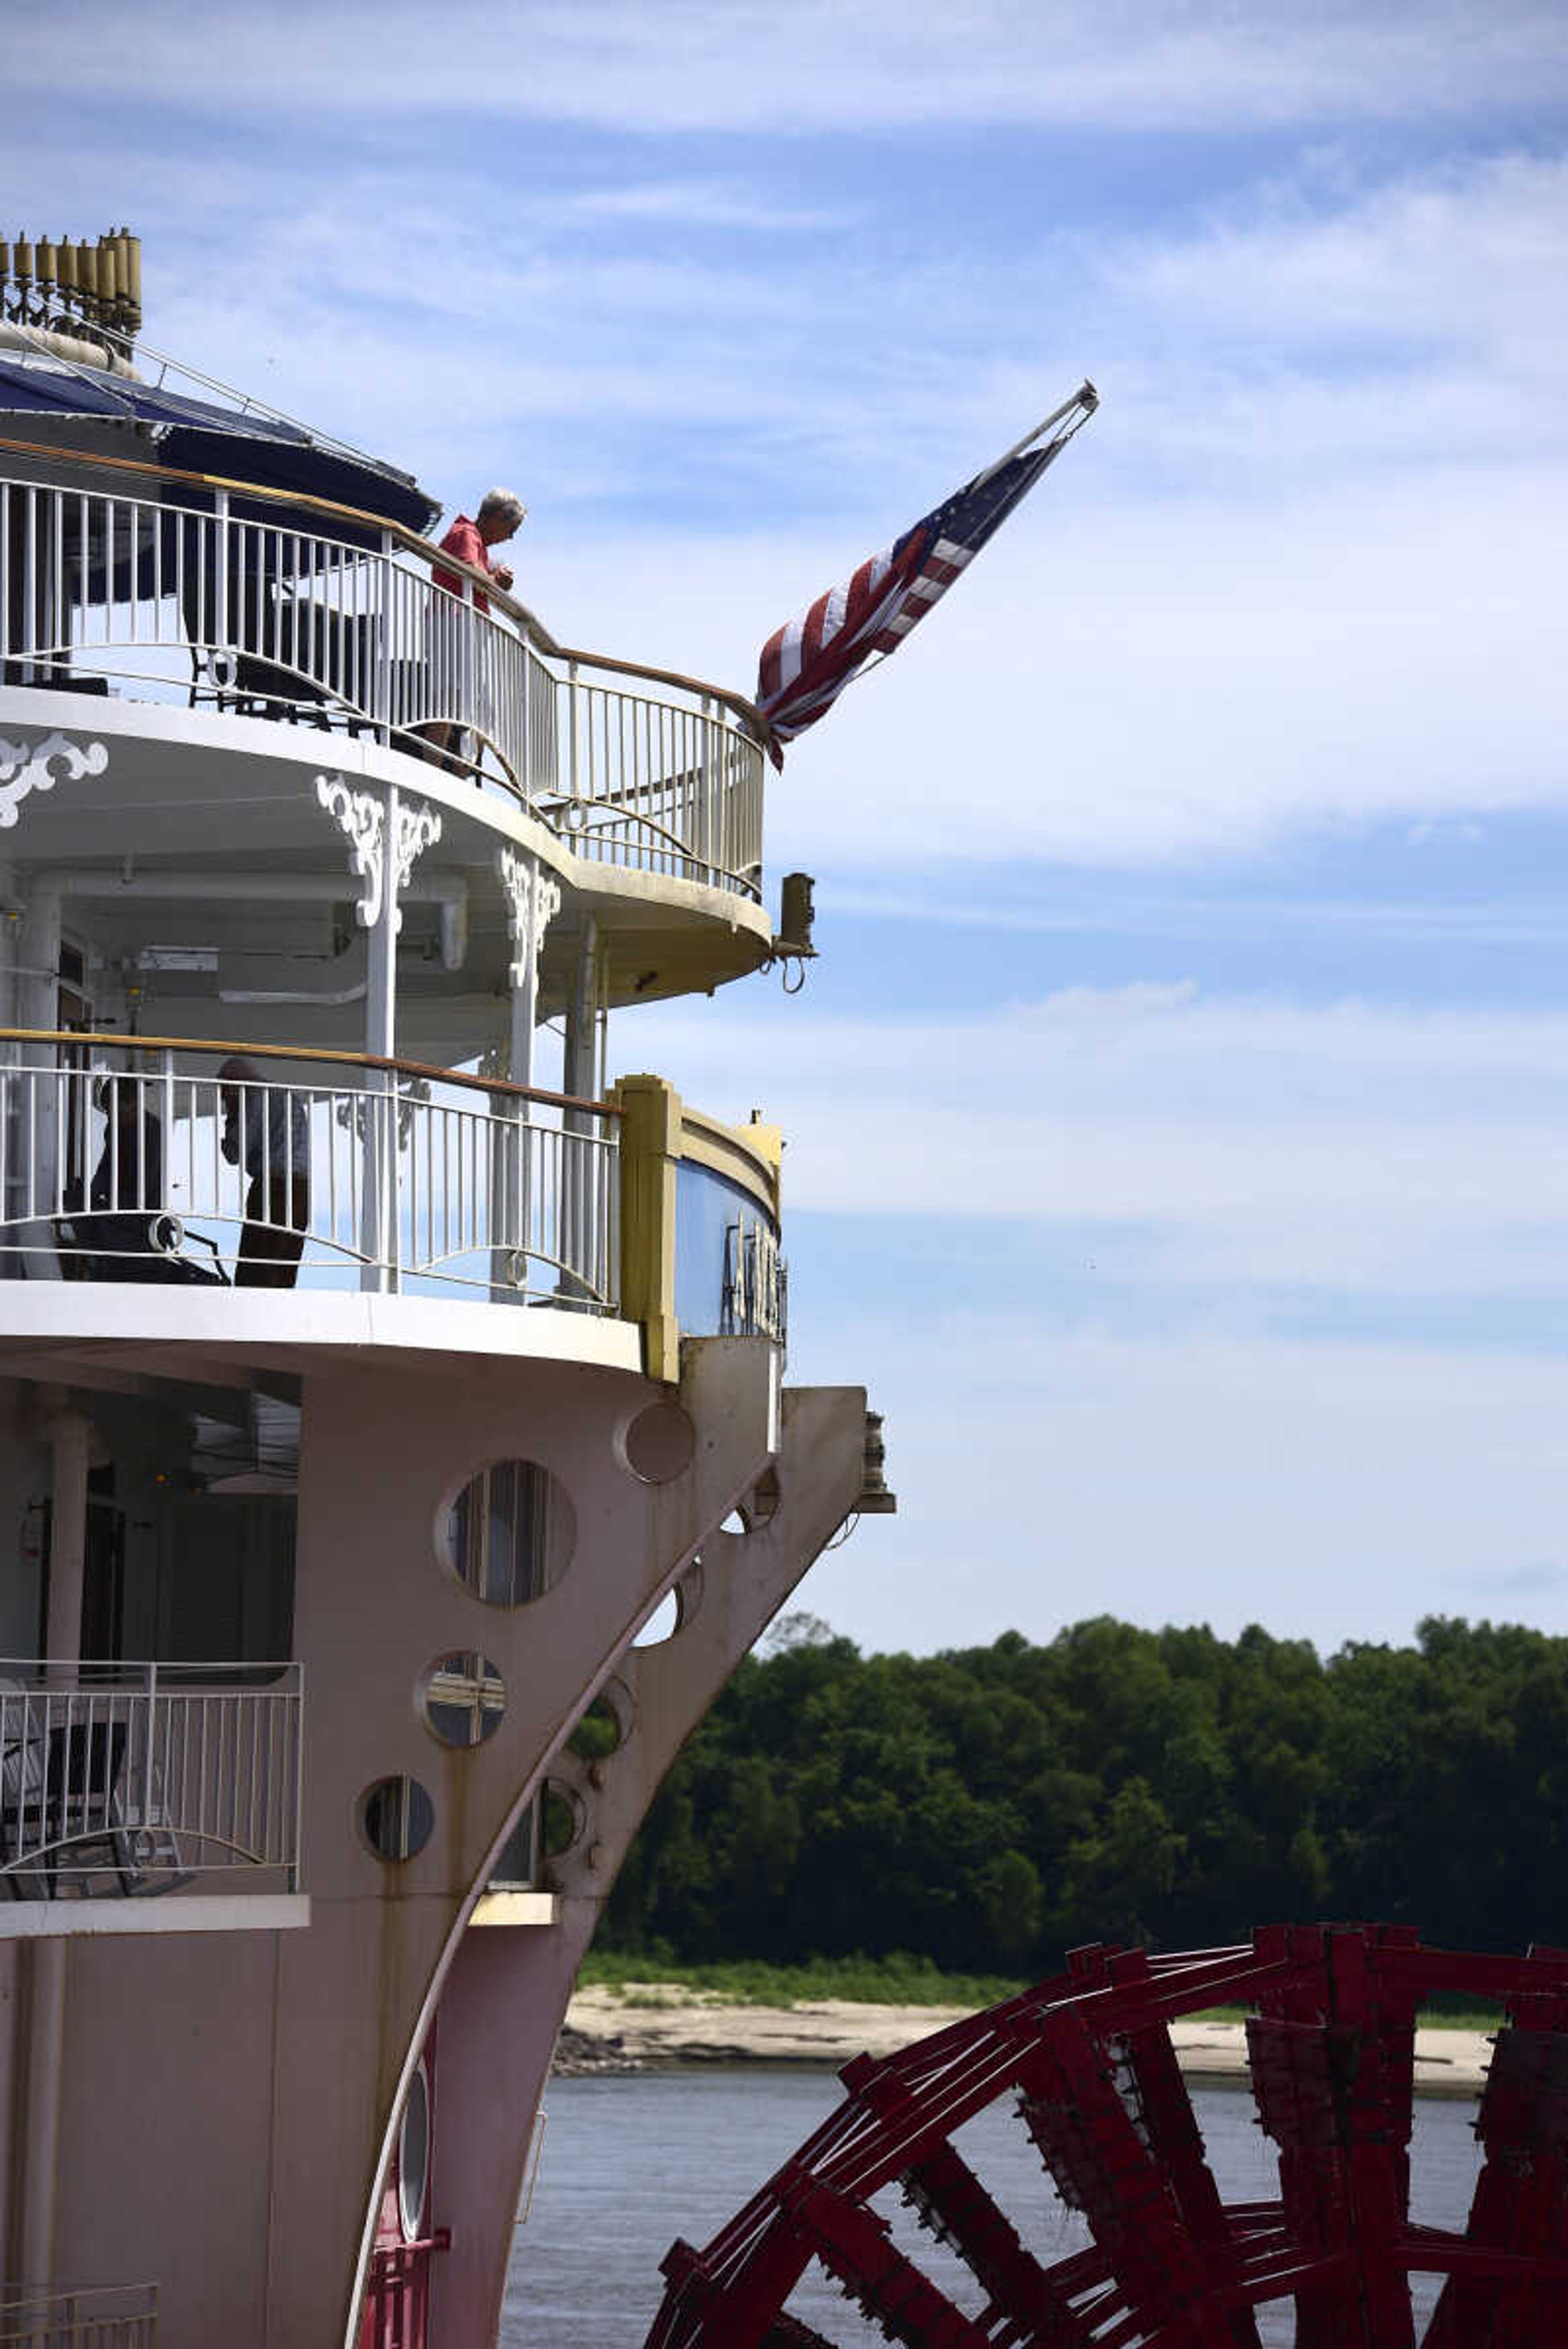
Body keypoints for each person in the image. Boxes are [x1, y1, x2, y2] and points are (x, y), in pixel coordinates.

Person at [424, 488, 526, 770]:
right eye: (512, 528)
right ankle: (441, 772)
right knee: (450, 701)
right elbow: (472, 575)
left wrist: (494, 579)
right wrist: (496, 581)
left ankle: (459, 774)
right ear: (495, 518)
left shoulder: (474, 540)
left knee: (474, 707)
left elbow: (480, 576)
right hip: (453, 623)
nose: (511, 536)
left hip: (460, 625)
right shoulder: (466, 534)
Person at [218, 1055, 310, 1289]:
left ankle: (251, 1313)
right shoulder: (288, 1097)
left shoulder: (255, 1097)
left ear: (233, 1084)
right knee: (286, 1259)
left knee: (257, 1260)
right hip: (301, 1186)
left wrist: (231, 1121)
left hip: (273, 1186)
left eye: (224, 1090)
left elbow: (234, 1153)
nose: (222, 1097)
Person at [82, 1075, 167, 1281]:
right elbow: (106, 1166)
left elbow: (144, 1186)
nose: (112, 1117)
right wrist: (89, 1196)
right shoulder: (114, 1128)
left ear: (134, 1104)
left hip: (144, 1224)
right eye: (109, 1111)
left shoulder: (152, 1130)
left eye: (116, 1111)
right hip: (119, 1217)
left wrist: (109, 1204)